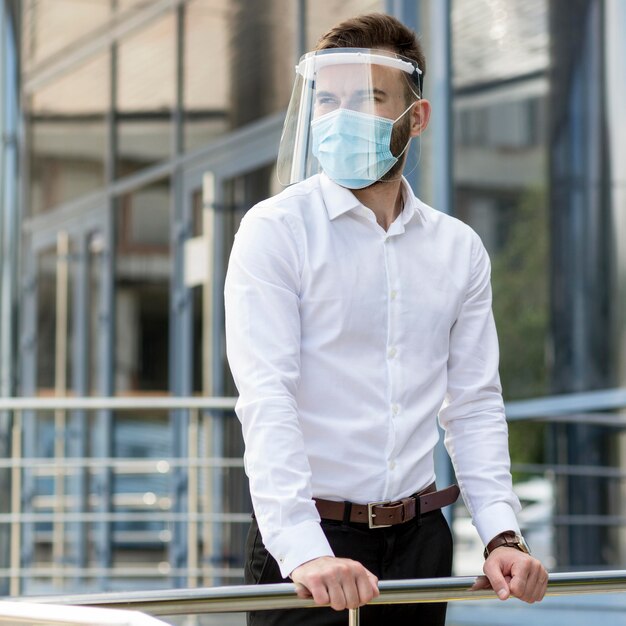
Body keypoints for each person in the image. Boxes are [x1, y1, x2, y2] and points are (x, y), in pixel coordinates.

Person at [224, 12, 548, 626]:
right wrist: (304, 552)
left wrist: (502, 533)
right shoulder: (275, 232)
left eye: (367, 98)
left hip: (420, 544)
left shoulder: (458, 249)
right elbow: (267, 399)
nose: (340, 117)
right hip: (308, 546)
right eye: (328, 99)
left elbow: (474, 405)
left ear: (415, 118)